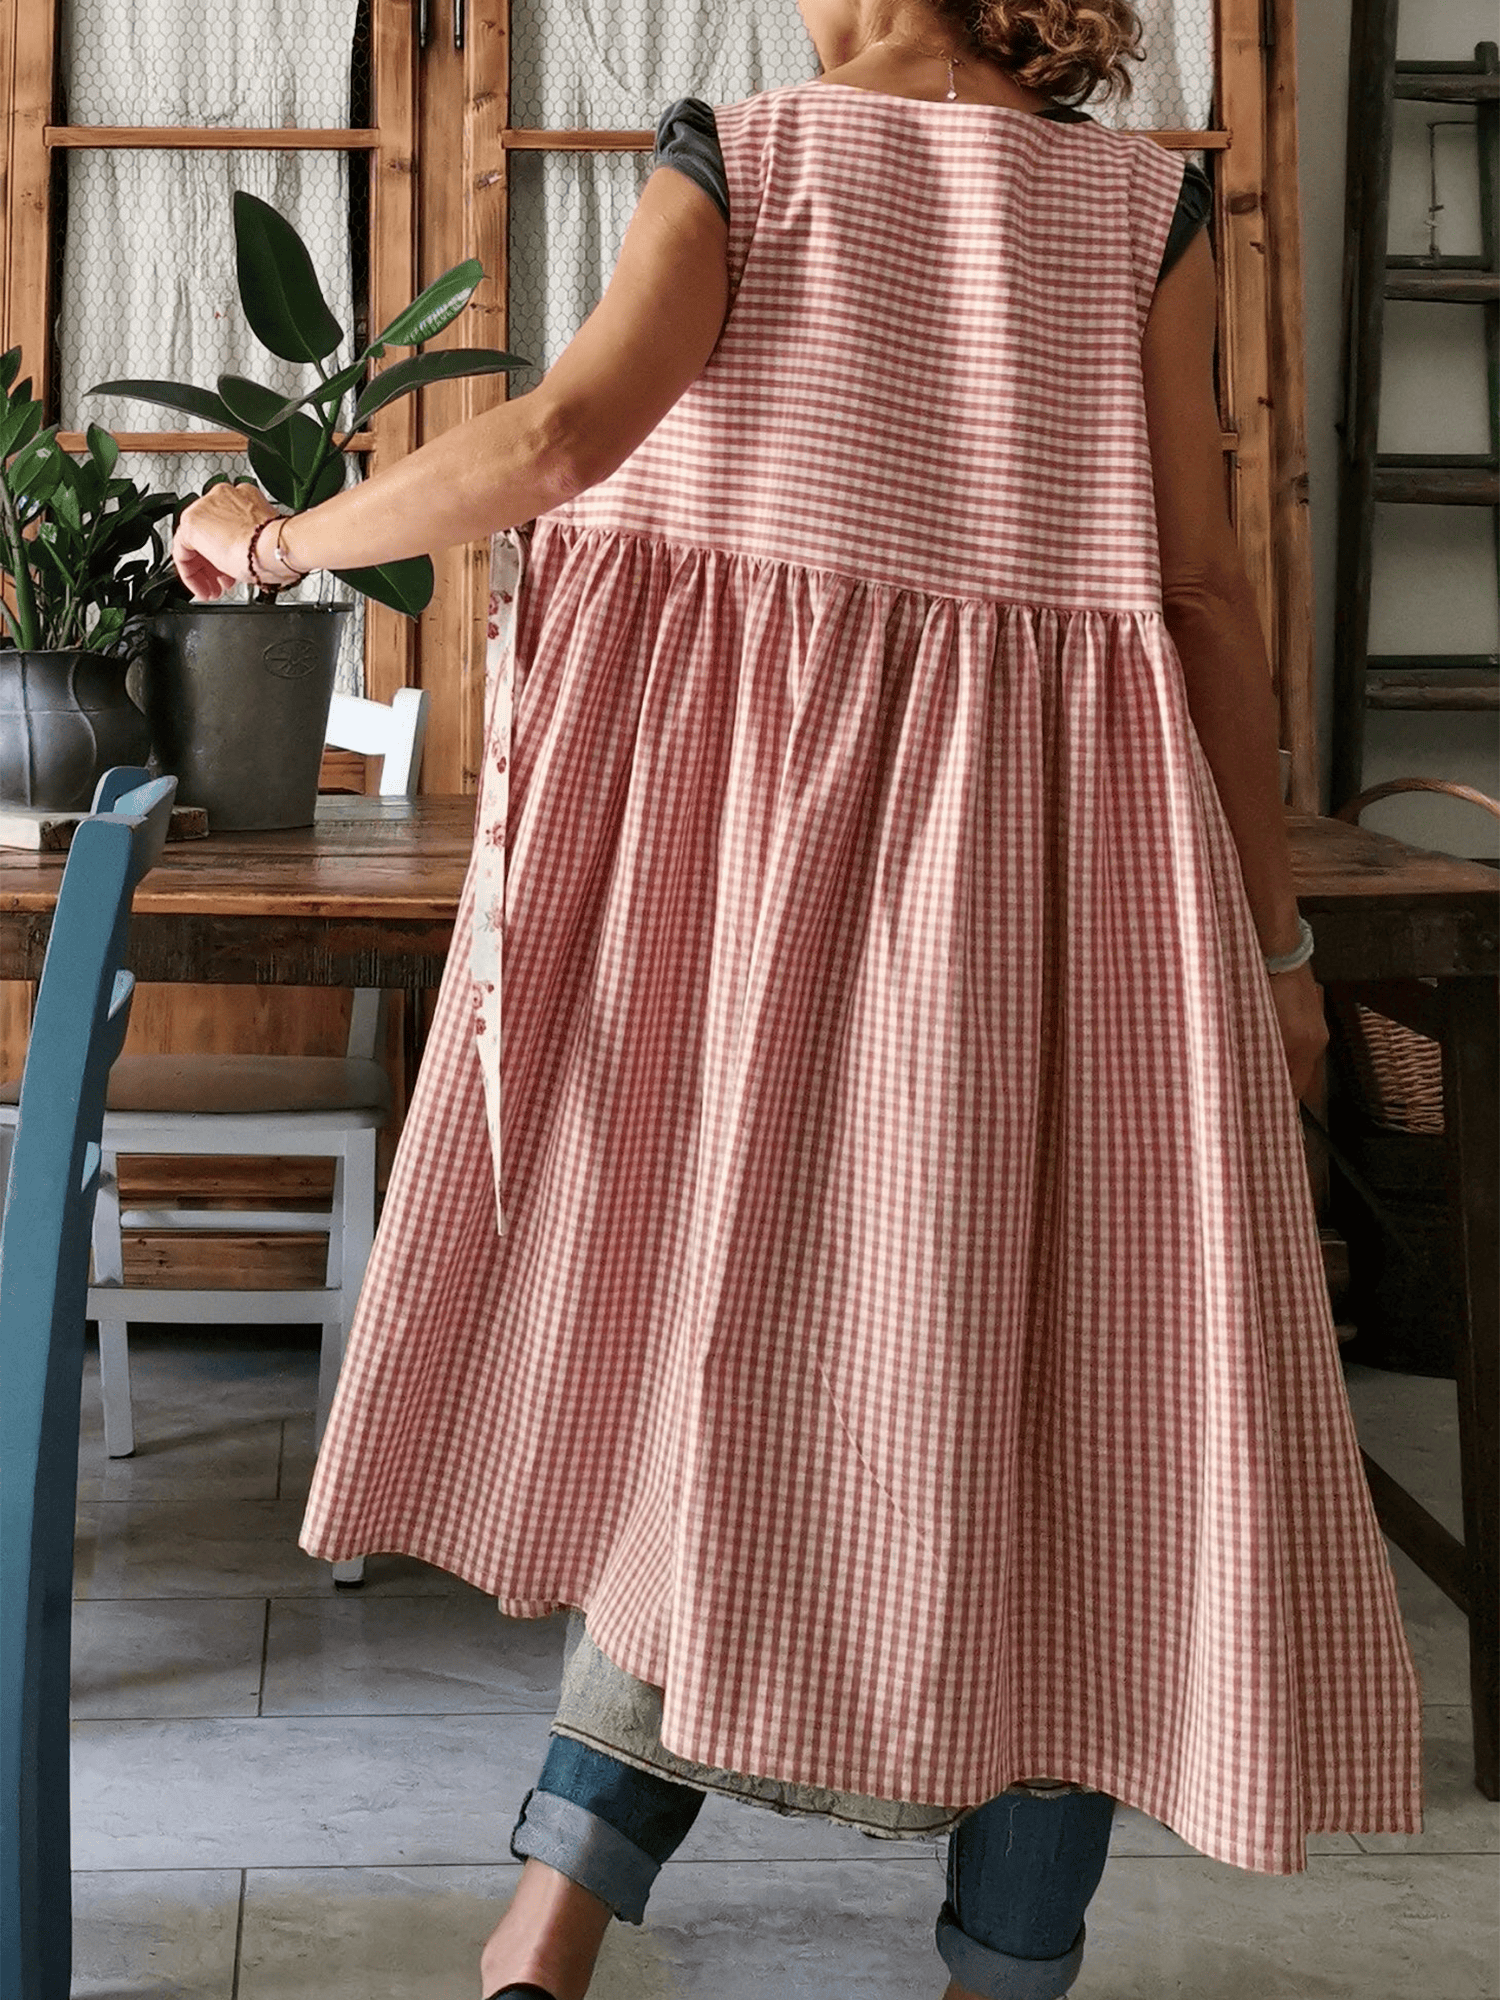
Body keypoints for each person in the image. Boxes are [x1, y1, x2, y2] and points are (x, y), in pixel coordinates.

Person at [173, 3, 1423, 1996]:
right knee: (1085, 1394)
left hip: (793, 903)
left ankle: (549, 1923)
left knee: (723, 1363)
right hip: (1089, 897)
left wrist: (271, 537)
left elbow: (564, 439)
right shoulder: (1141, 208)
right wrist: (1273, 951)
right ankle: (1004, 1967)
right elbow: (1203, 596)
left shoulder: (753, 156)